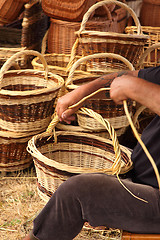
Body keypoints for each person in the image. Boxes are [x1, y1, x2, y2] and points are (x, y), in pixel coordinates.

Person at [24, 66, 160, 240]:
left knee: (76, 192)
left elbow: (132, 82)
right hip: (141, 178)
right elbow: (129, 76)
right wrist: (80, 95)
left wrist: (133, 87)